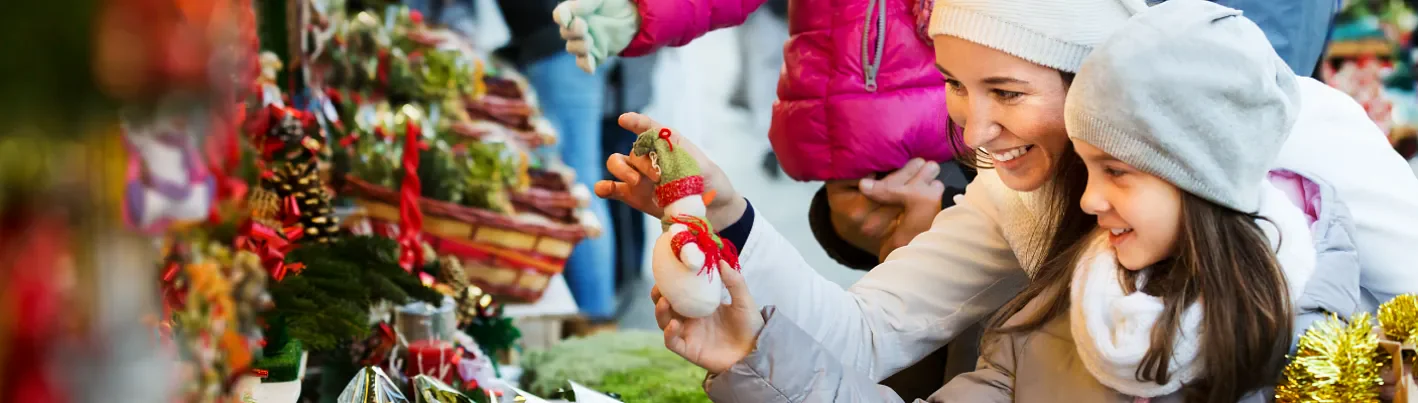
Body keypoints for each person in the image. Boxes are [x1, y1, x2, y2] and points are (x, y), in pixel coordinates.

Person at [595, 0, 1418, 393]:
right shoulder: (1016, 202)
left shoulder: (1301, 143)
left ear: (1099, 76)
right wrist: (733, 221)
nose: (974, 129)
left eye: (1008, 91)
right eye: (954, 85)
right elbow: (866, 331)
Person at [495, 0, 618, 327]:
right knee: (576, 184)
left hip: (563, 45)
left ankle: (594, 323)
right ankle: (592, 321)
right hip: (562, 41)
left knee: (576, 187)